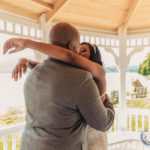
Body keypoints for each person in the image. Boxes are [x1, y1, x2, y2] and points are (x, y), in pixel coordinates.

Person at [3, 22, 114, 150]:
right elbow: (102, 123)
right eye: (79, 48)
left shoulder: (32, 75)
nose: (79, 53)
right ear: (72, 46)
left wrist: (27, 51)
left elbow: (67, 59)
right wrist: (108, 104)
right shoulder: (81, 79)